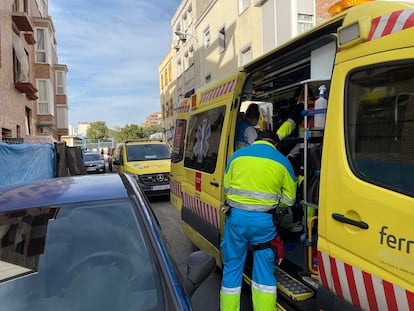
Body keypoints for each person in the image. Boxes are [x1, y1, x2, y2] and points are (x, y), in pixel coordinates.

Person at [220, 130, 297, 311]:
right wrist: (278, 207)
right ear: (275, 144)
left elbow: (227, 187)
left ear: (257, 140)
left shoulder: (236, 157)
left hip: (236, 220)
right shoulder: (282, 161)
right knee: (264, 272)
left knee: (232, 268)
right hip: (264, 223)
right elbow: (289, 199)